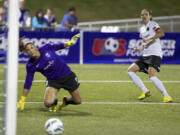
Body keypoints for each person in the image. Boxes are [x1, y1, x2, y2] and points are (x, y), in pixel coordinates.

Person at [17, 33, 82, 112]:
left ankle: (66, 101)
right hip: (53, 81)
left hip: (67, 75)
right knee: (47, 103)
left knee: (78, 101)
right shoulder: (30, 65)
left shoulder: (46, 48)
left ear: (35, 47)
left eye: (31, 47)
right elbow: (28, 82)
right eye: (28, 50)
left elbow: (59, 46)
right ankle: (54, 103)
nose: (31, 50)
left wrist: (70, 43)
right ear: (27, 53)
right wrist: (23, 99)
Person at [127, 9, 173, 103]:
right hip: (146, 54)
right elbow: (146, 43)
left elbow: (161, 33)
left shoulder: (153, 24)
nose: (144, 16)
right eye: (142, 15)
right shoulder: (142, 29)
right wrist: (139, 49)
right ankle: (145, 91)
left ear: (150, 16)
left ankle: (167, 96)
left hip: (155, 53)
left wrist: (149, 37)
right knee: (130, 70)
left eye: (146, 14)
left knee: (151, 76)